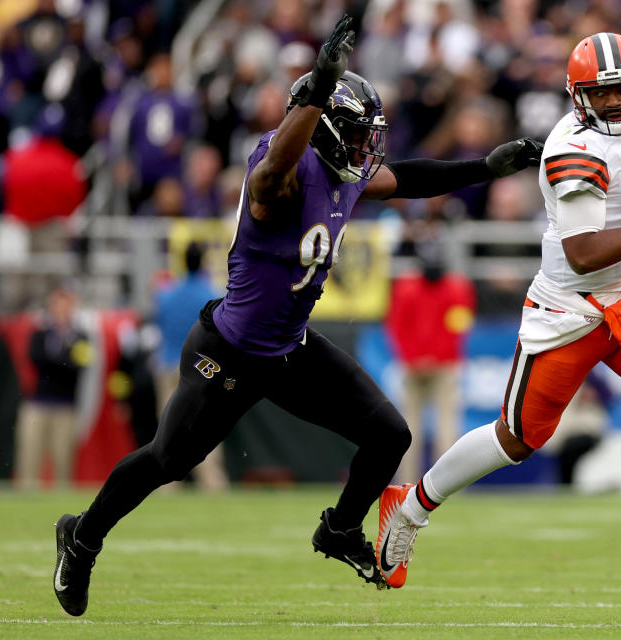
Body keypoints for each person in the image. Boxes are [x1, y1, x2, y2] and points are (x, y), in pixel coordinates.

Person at [52, 15, 542, 616]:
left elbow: (405, 177)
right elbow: (272, 171)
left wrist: (483, 168)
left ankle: (339, 529)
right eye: (357, 135)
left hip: (288, 349)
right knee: (168, 461)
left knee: (389, 434)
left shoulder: (343, 172)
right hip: (228, 350)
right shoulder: (281, 174)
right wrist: (315, 91)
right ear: (322, 129)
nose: (367, 149)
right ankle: (81, 537)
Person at [374, 32, 621, 607]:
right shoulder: (573, 150)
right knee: (517, 438)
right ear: (578, 98)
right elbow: (585, 253)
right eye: (604, 93)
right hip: (572, 311)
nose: (618, 103)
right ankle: (411, 505)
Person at [385, 242, 476, 482]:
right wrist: (424, 358)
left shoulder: (412, 287)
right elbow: (398, 326)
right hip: (434, 365)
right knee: (436, 427)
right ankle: (442, 484)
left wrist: (418, 358)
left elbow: (457, 328)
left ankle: (418, 484)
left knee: (426, 429)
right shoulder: (456, 288)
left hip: (429, 365)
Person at [153, 242, 228, 491]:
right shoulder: (211, 293)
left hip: (169, 365)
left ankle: (164, 485)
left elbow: (158, 322)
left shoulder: (166, 294)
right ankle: (212, 483)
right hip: (201, 367)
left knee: (168, 427)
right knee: (205, 426)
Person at [15, 285, 89, 490]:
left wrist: (57, 362)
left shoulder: (81, 336)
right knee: (30, 459)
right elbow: (37, 359)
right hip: (38, 404)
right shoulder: (40, 334)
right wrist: (63, 361)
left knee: (63, 463)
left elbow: (79, 367)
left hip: (65, 406)